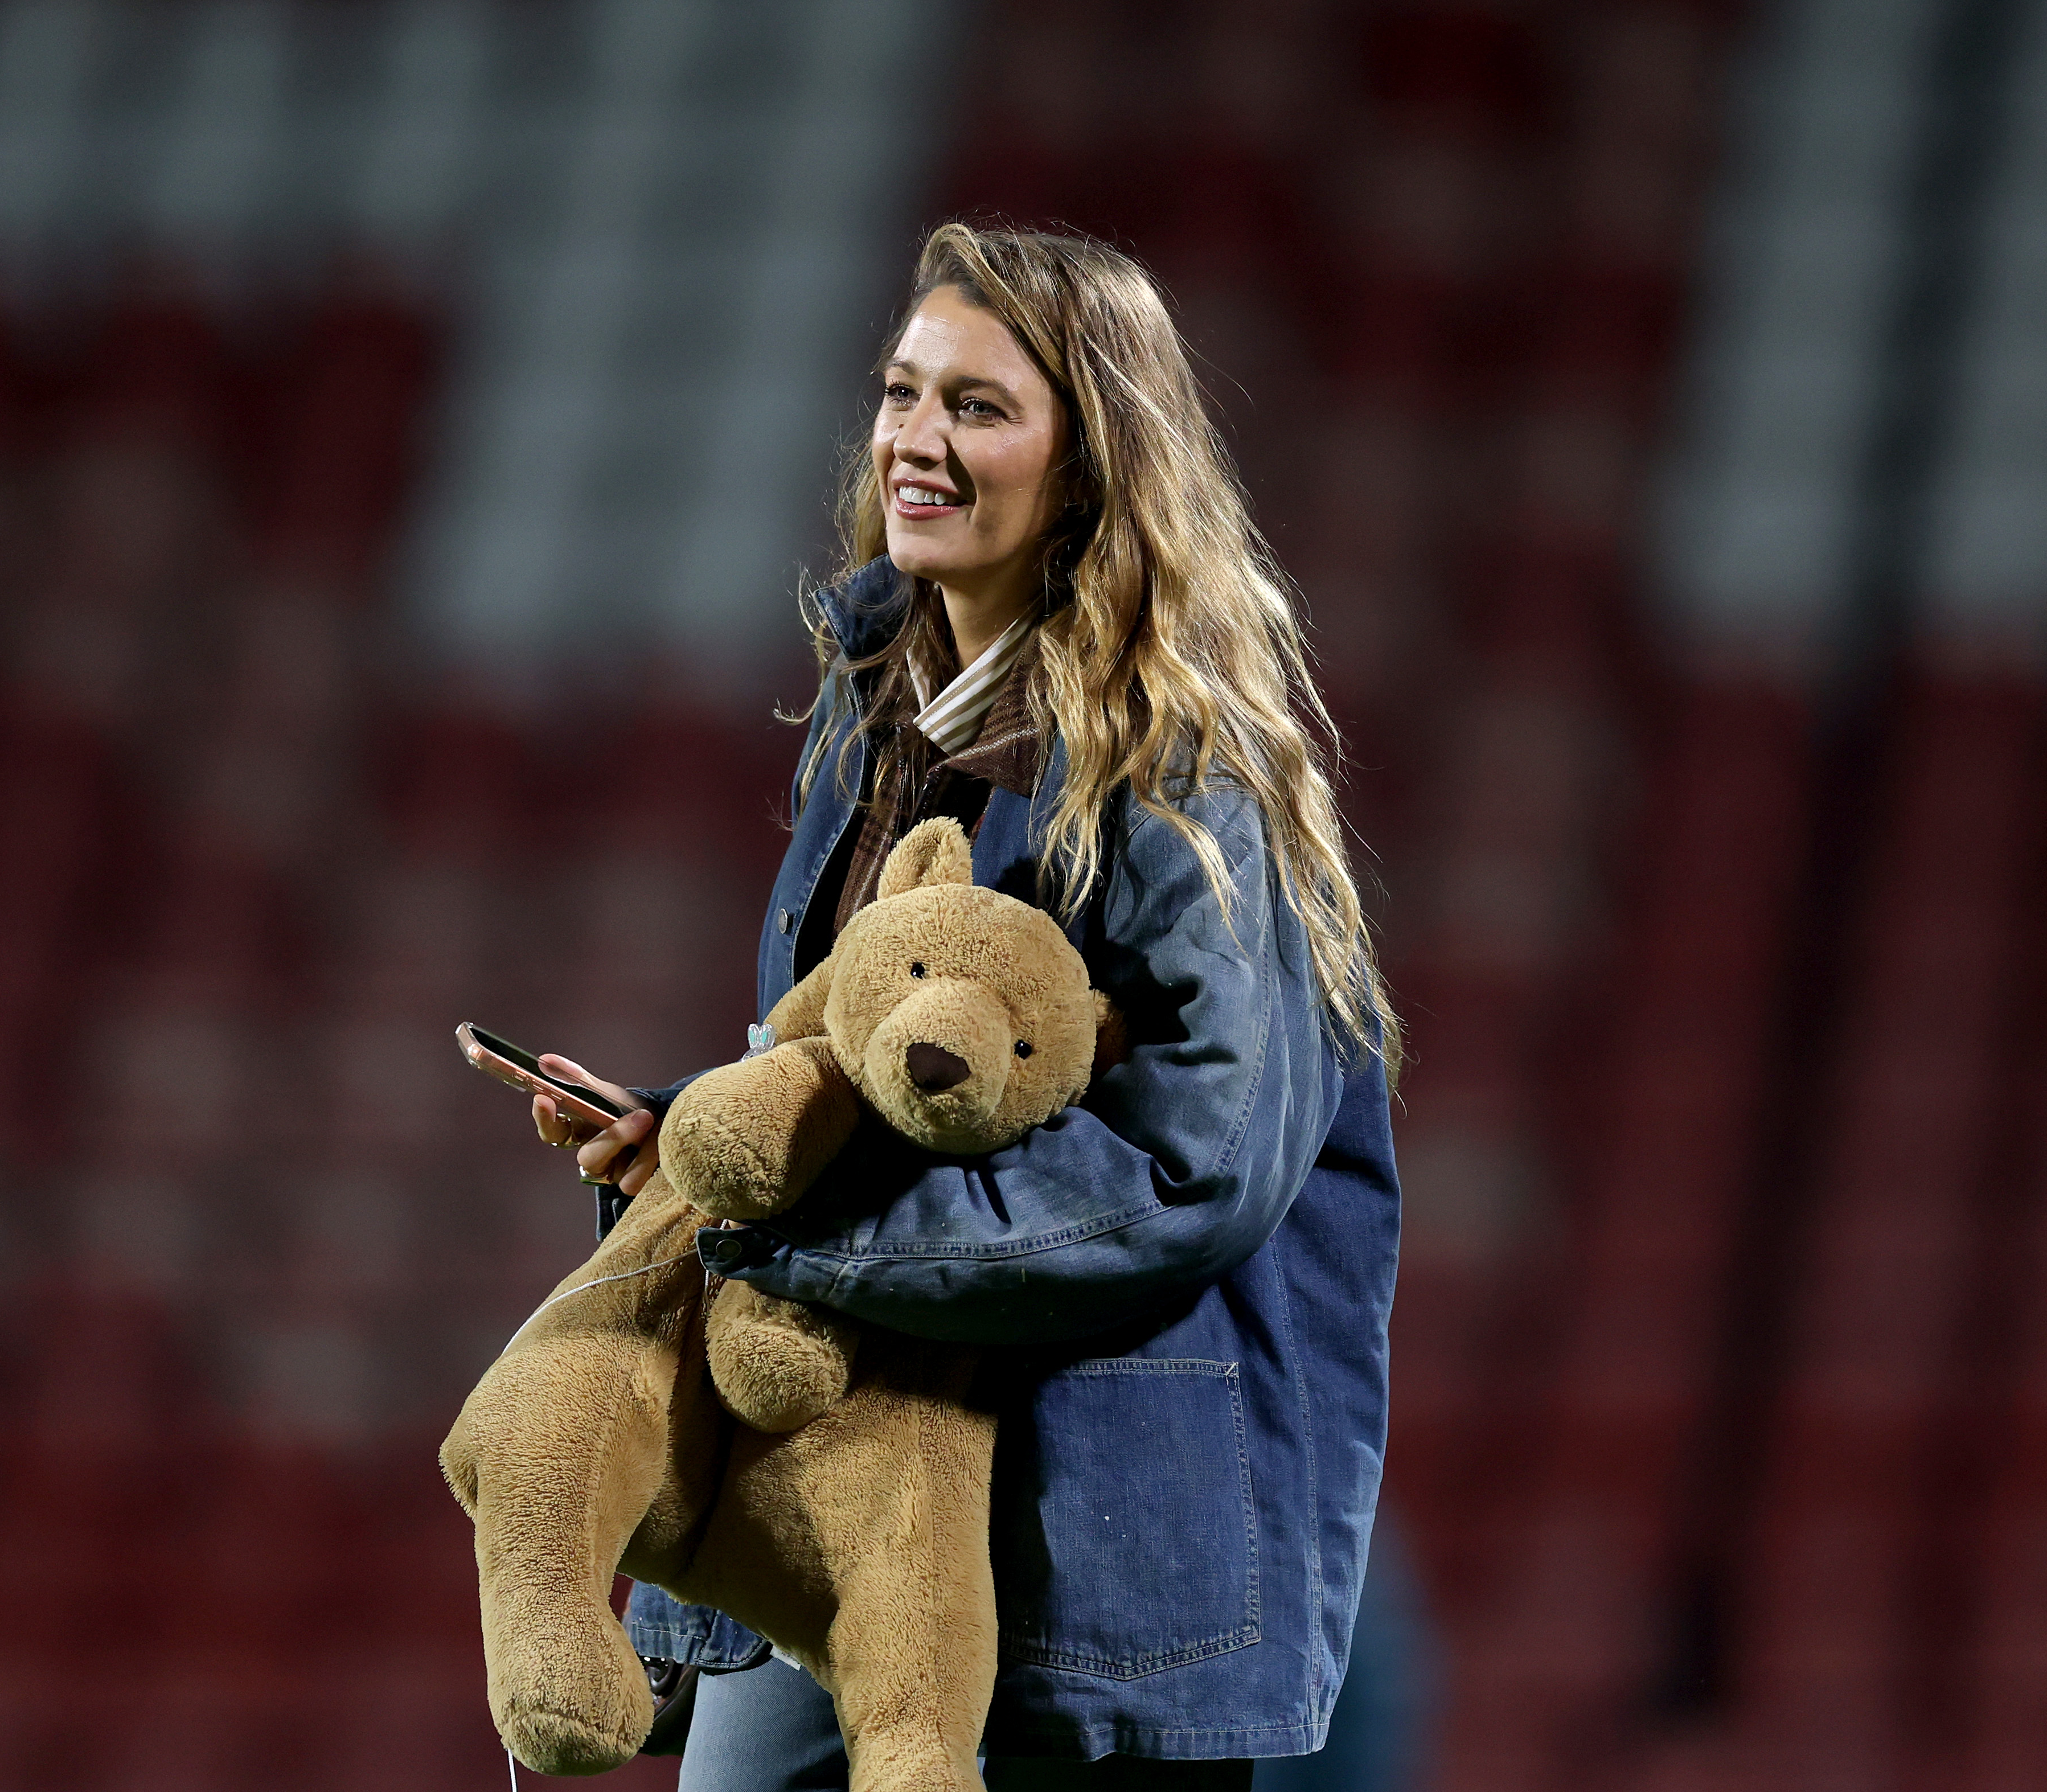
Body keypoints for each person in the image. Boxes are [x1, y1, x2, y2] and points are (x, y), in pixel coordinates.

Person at [527, 224, 1402, 1792]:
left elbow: (1192, 1169)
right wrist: (696, 1139)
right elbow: (865, 1059)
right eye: (900, 391)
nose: (914, 440)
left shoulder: (1188, 772)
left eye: (978, 407)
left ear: (1091, 464)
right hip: (838, 1479)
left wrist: (808, 1244)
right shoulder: (871, 722)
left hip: (1091, 1527)